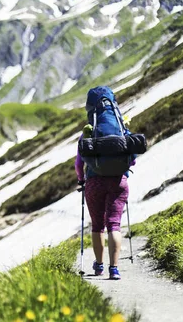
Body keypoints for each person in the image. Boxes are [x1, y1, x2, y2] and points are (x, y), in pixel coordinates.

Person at [75, 87, 134, 281]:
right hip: (118, 181)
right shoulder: (121, 128)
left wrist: (81, 180)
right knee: (114, 225)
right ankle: (114, 269)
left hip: (94, 182)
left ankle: (99, 265)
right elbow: (132, 158)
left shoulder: (88, 131)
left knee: (97, 226)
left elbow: (79, 163)